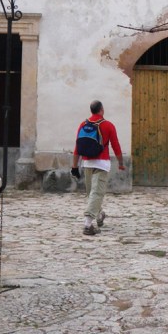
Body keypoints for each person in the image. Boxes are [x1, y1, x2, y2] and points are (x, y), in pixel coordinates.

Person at [70, 99, 125, 236]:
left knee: (92, 193)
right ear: (102, 110)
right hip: (102, 164)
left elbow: (77, 147)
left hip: (87, 163)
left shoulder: (83, 124)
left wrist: (74, 166)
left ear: (91, 110)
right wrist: (121, 162)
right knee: (96, 193)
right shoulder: (108, 125)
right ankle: (88, 225)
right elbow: (116, 145)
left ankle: (99, 215)